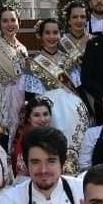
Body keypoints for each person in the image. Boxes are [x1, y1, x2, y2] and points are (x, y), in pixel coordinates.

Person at [25, 18, 90, 166]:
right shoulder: (33, 62)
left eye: (55, 32)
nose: (51, 36)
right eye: (47, 33)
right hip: (45, 110)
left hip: (72, 110)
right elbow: (29, 95)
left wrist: (88, 109)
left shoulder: (68, 60)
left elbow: (78, 87)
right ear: (40, 36)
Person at [0, 7, 27, 136]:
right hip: (2, 105)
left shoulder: (22, 48)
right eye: (5, 21)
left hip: (21, 101)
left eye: (13, 20)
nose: (10, 24)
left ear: (18, 22)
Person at [12, 96, 57, 178]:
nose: (42, 119)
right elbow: (22, 174)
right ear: (29, 118)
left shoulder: (55, 138)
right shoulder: (25, 141)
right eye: (37, 115)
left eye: (45, 114)